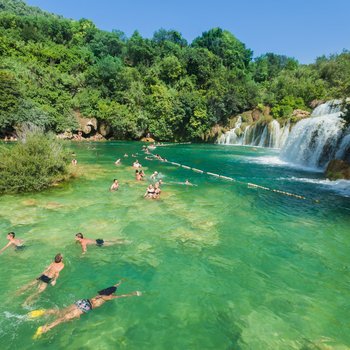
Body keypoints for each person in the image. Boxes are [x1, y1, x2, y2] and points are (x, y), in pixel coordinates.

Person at [32, 281, 142, 338]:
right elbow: (122, 296)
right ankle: (44, 329)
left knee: (61, 312)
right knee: (63, 319)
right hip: (85, 307)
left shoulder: (103, 292)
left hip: (82, 301)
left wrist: (119, 283)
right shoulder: (109, 297)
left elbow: (112, 286)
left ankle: (42, 312)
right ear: (112, 293)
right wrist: (134, 293)